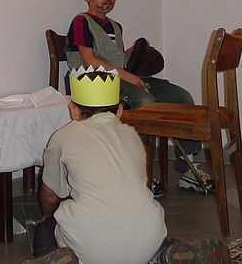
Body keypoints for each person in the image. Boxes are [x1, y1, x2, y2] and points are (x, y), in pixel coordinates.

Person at [65, 0, 213, 194]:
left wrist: (133, 53)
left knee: (181, 96)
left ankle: (189, 169)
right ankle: (142, 174)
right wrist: (128, 76)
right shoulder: (81, 21)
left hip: (119, 79)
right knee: (145, 102)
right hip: (96, 84)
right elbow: (89, 60)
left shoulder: (116, 26)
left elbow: (118, 61)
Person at [32, 68, 167, 263]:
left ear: (74, 110)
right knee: (142, 230)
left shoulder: (63, 136)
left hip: (91, 247)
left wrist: (46, 216)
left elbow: (50, 195)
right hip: (149, 238)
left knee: (45, 229)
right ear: (119, 110)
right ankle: (160, 256)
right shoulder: (132, 135)